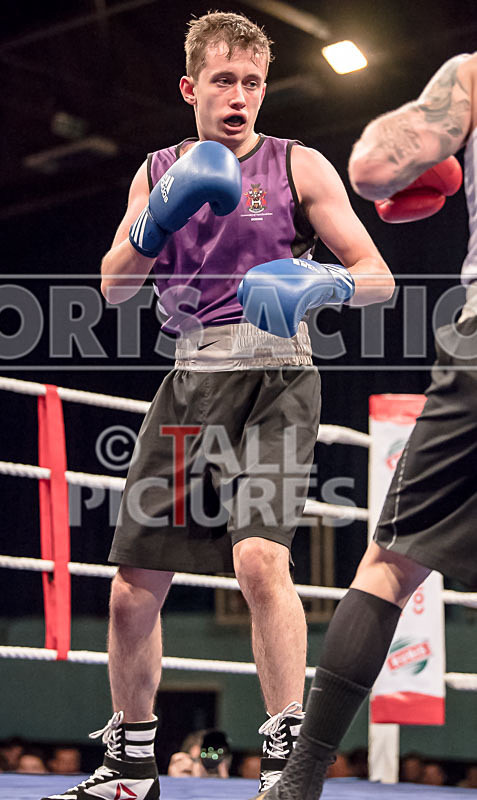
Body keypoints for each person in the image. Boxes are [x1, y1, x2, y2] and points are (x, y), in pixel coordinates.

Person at [44, 11, 392, 800]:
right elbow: (112, 287)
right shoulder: (155, 167)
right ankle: (130, 765)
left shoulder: (298, 164)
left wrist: (325, 282)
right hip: (191, 374)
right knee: (134, 582)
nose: (239, 96)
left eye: (252, 82)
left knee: (259, 558)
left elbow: (379, 275)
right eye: (223, 81)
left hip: (278, 374)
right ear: (190, 86)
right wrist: (153, 216)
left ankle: (286, 758)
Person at [249, 50, 477, 800]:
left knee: (388, 564)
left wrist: (440, 151)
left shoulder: (471, 76)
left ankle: (302, 776)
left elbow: (374, 168)